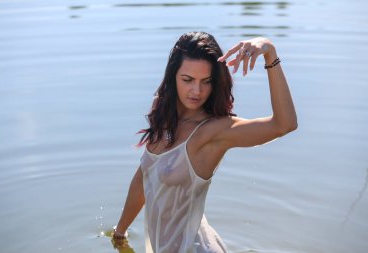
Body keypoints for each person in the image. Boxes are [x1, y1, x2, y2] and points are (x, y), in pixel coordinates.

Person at [112, 31, 297, 253]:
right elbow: (144, 176)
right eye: (187, 80)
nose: (196, 91)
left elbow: (284, 124)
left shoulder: (213, 132)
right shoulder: (163, 114)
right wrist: (120, 234)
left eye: (206, 82)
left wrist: (269, 52)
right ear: (173, 77)